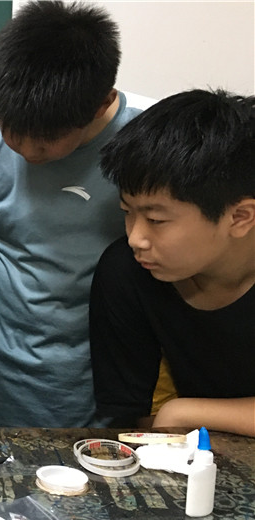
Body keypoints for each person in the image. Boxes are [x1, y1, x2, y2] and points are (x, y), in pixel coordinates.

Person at [0, 1, 153, 428]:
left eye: (47, 140)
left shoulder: (151, 141)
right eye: (12, 130)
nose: (26, 150)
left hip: (110, 385)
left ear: (102, 103)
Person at [91, 89, 255, 437]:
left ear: (240, 217)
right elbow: (142, 421)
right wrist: (174, 417)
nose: (136, 238)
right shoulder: (127, 273)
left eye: (156, 219)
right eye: (127, 212)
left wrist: (185, 411)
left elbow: (172, 418)